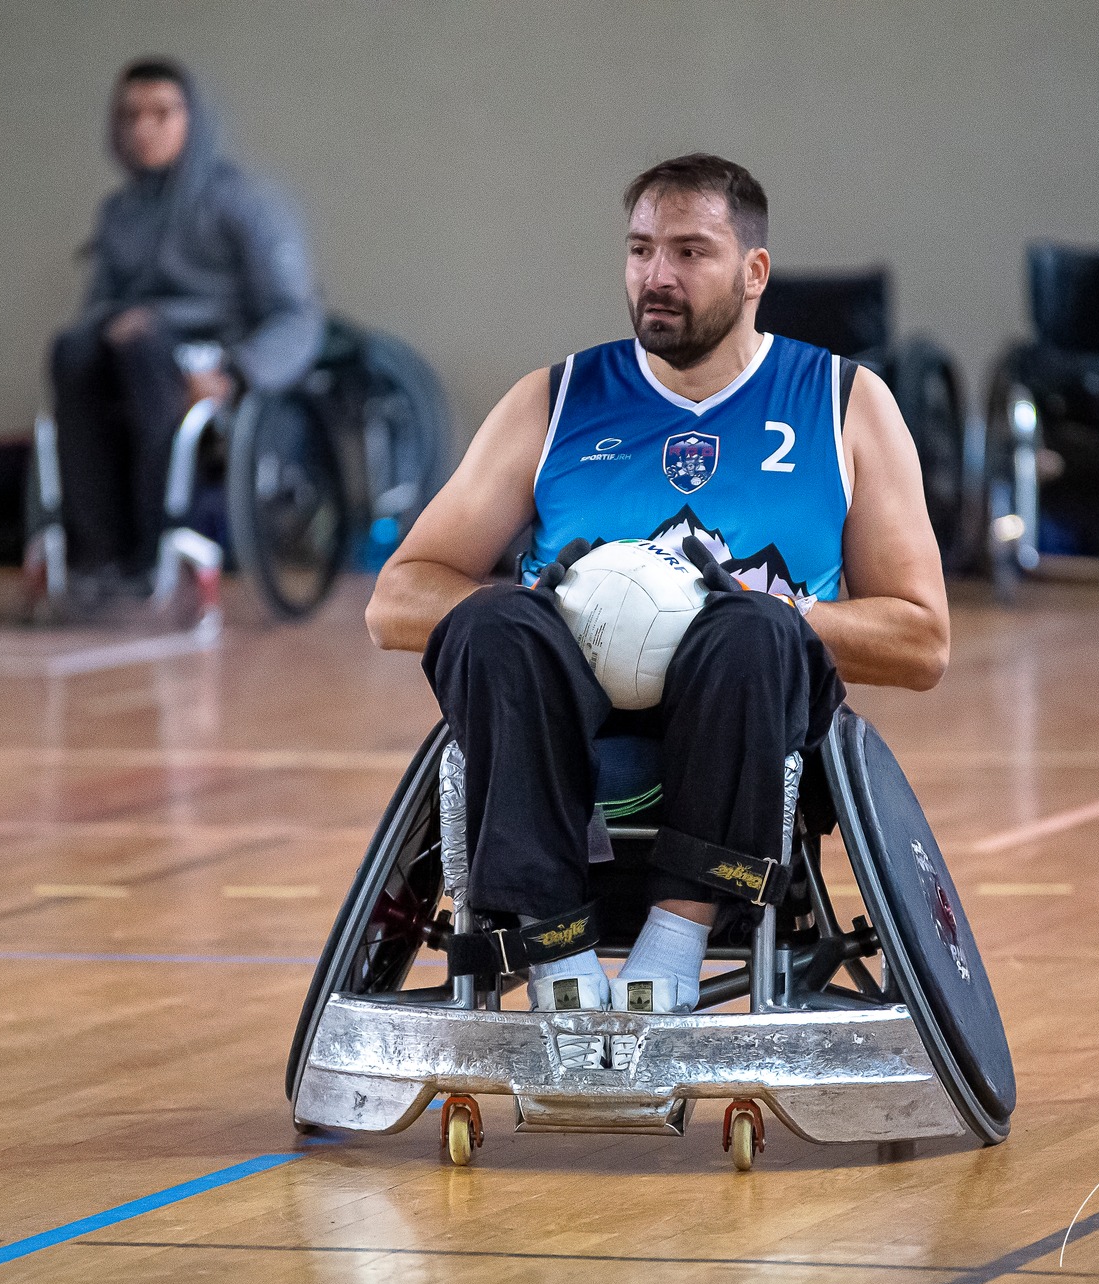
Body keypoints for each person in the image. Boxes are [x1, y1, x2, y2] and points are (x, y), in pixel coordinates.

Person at [366, 153, 947, 1029]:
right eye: (640, 251)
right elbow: (395, 599)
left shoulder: (843, 402)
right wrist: (557, 609)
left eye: (689, 251)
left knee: (751, 628)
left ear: (755, 272)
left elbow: (921, 640)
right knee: (492, 622)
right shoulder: (555, 400)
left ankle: (675, 940)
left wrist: (767, 611)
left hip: (747, 699)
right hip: (569, 714)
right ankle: (556, 944)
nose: (657, 276)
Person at [49, 57, 323, 596]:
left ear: (194, 119)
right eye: (131, 116)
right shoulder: (120, 213)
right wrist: (113, 323)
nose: (144, 129)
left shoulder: (242, 203)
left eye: (162, 114)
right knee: (73, 351)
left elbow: (296, 314)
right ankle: (97, 554)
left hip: (216, 356)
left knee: (143, 352)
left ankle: (154, 549)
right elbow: (98, 305)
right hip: (130, 350)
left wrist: (236, 373)